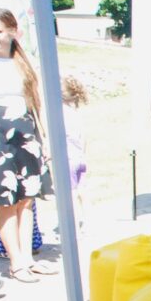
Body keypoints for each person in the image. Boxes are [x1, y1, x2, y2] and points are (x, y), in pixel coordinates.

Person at [0, 7, 56, 283]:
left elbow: (38, 103)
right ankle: (15, 261)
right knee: (6, 200)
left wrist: (46, 139)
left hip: (26, 132)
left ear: (12, 31)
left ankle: (28, 259)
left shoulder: (24, 62)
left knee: (27, 199)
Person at [61, 75, 89, 230]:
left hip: (68, 158)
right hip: (80, 157)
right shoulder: (76, 112)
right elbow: (83, 137)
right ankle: (86, 220)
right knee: (82, 191)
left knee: (70, 194)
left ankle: (73, 226)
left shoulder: (61, 113)